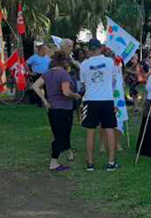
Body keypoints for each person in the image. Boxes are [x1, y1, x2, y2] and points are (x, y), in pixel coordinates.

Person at [33, 52, 82, 171]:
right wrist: (75, 95)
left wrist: (44, 100)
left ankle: (68, 153)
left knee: (59, 133)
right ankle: (54, 162)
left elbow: (35, 86)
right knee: (61, 136)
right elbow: (66, 92)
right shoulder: (63, 74)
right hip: (64, 109)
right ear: (64, 62)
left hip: (52, 109)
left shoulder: (47, 73)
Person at [81, 39, 120, 171]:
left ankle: (90, 163)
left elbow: (83, 83)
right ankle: (111, 162)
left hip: (90, 100)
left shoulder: (84, 64)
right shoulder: (110, 62)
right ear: (100, 48)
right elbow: (115, 79)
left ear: (89, 49)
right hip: (107, 99)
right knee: (109, 129)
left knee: (90, 131)